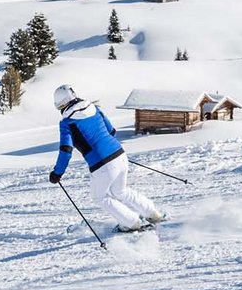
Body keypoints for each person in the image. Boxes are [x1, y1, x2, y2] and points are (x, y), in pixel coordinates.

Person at [48, 84, 164, 233]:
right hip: (120, 154)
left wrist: (57, 173)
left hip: (102, 164)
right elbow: (111, 131)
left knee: (100, 197)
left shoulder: (67, 123)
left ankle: (131, 222)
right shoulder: (94, 108)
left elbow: (66, 150)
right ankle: (153, 214)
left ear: (61, 104)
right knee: (120, 191)